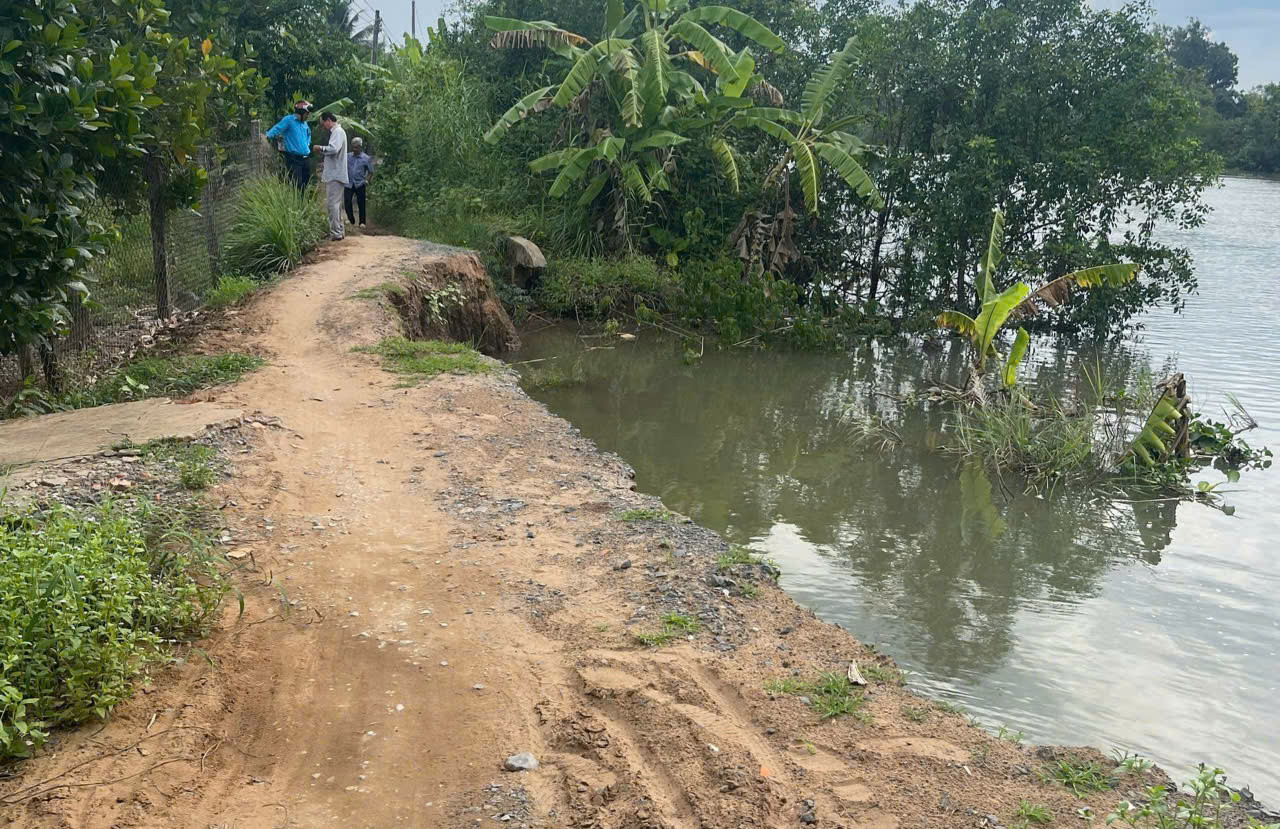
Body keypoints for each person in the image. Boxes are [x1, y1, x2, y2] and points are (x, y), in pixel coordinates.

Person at [312, 112, 349, 240]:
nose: (323, 127)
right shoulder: (338, 132)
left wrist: (320, 148)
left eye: (323, 124)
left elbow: (333, 148)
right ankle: (339, 230)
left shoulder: (337, 132)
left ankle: (336, 233)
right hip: (336, 173)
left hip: (335, 174)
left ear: (328, 120)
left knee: (332, 204)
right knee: (336, 204)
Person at [265, 101, 313, 190]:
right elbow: (277, 128)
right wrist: (266, 136)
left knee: (305, 182)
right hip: (294, 159)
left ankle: (303, 202)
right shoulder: (289, 120)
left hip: (305, 158)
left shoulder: (305, 124)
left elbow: (308, 135)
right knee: (296, 184)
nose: (308, 115)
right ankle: (296, 202)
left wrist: (307, 144)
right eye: (307, 113)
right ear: (302, 112)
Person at [345, 137, 374, 228]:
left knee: (361, 203)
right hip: (348, 183)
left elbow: (371, 171)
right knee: (347, 201)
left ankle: (362, 222)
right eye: (353, 147)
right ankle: (351, 219)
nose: (355, 149)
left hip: (360, 183)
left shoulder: (366, 158)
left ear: (360, 147)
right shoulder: (347, 156)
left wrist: (366, 180)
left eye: (357, 147)